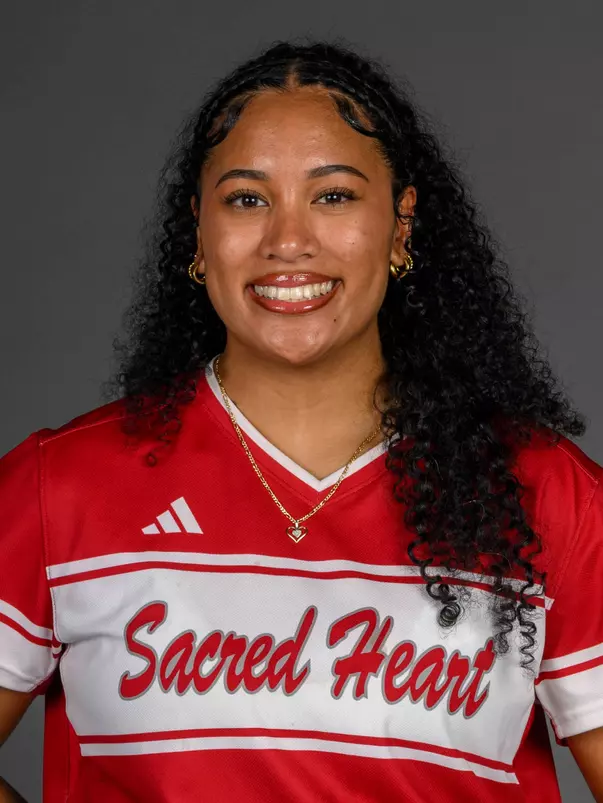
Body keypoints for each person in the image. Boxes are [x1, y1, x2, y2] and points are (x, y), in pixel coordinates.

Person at [0, 38, 602, 803]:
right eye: (246, 199)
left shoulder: (546, 496)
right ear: (198, 230)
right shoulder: (60, 486)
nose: (288, 242)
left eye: (334, 196)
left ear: (401, 225)